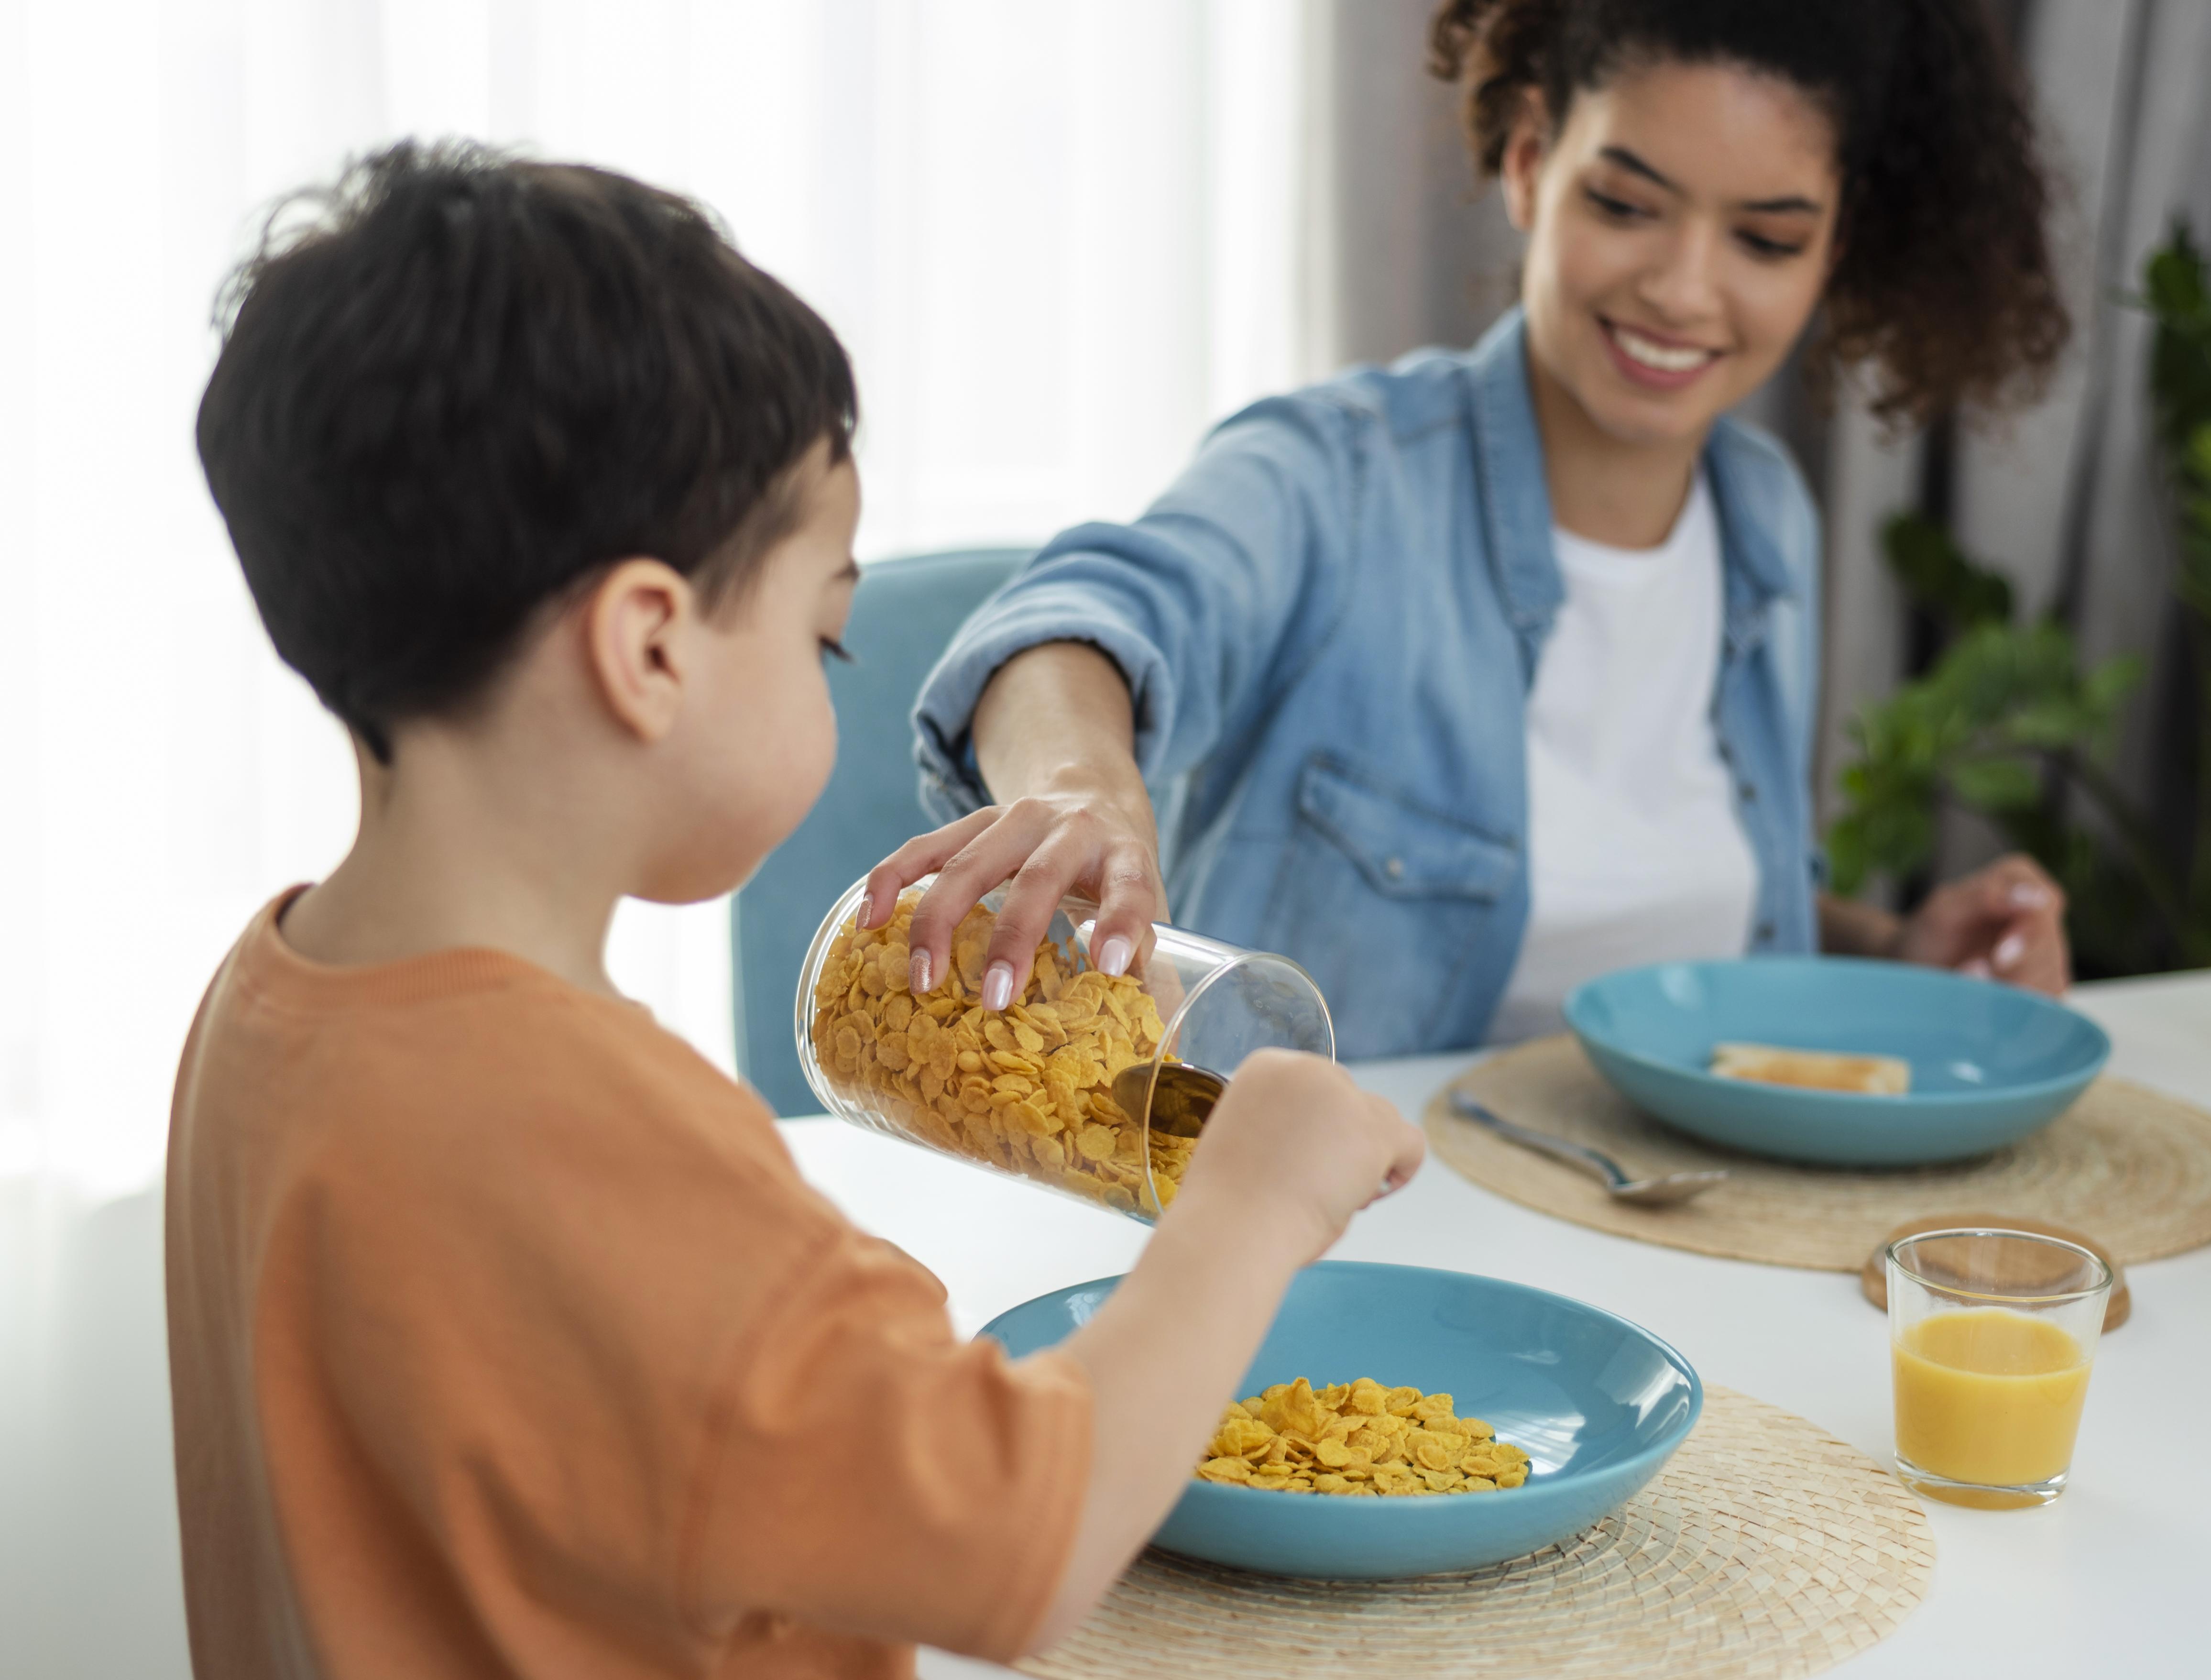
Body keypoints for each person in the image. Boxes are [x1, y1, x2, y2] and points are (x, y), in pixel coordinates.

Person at [169, 143, 1422, 1680]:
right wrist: (1256, 1199)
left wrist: (823, 1313)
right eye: (829, 636)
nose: (841, 672)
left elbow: (560, 1406)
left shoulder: (272, 1004)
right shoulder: (594, 1135)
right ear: (649, 647)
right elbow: (1017, 1545)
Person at [887, 0, 2077, 1059]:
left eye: (1765, 238)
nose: (1682, 287)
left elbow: (1639, 887)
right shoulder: (1335, 473)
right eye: (1625, 204)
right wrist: (1084, 788)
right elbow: (1077, 621)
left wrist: (1888, 946)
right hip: (1334, 1220)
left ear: (1835, 248)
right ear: (1526, 163)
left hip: (1679, 1214)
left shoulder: (1764, 520)